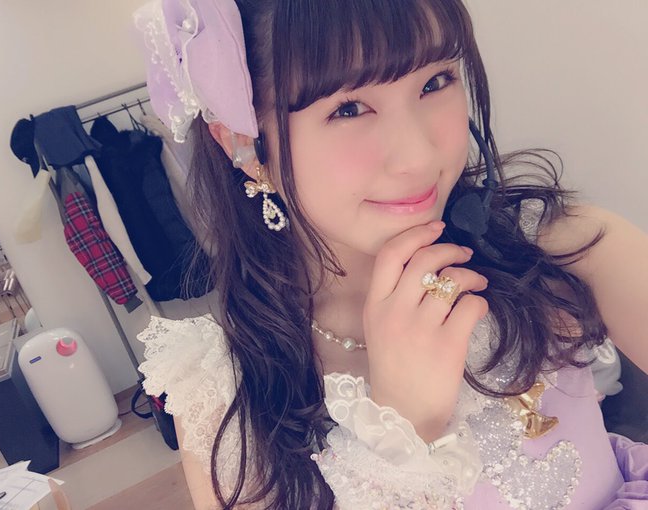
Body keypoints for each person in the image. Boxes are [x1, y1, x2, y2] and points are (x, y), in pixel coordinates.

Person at [133, 0, 648, 508]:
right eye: (348, 109)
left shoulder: (560, 247)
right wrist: (404, 428)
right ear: (243, 145)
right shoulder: (221, 393)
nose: (418, 156)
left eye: (435, 82)